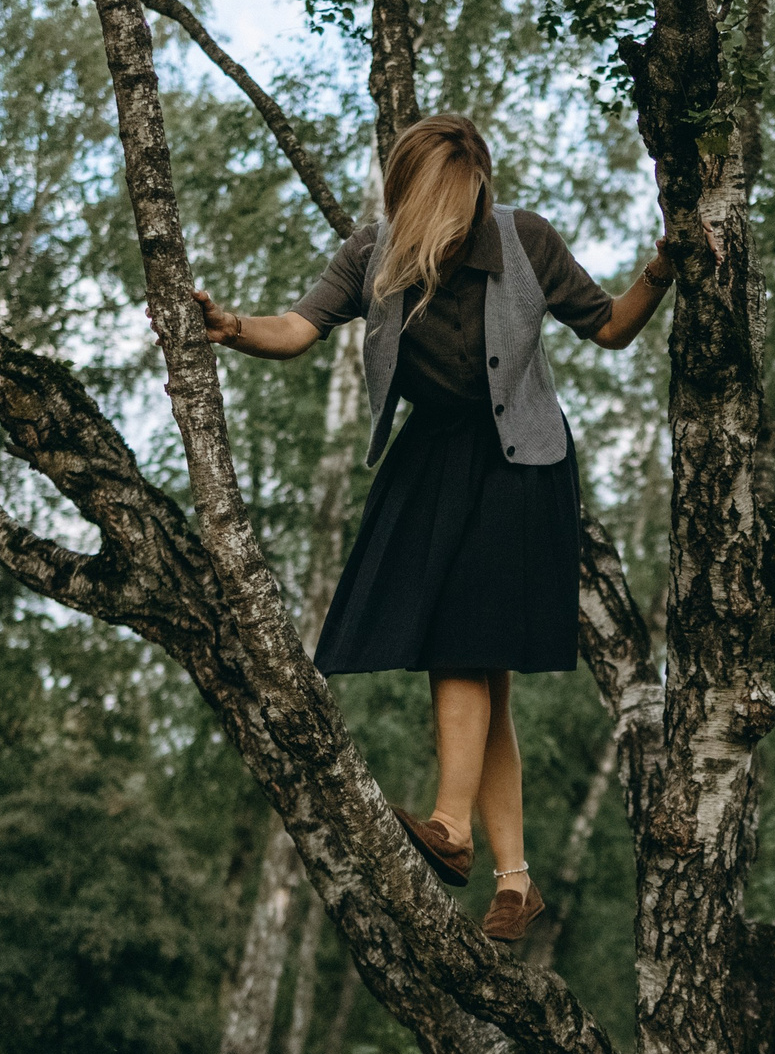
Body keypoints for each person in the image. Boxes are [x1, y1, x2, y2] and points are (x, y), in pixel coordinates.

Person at [191, 114, 673, 942]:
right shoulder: (371, 252)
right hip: (434, 463)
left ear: (478, 188)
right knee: (484, 673)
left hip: (522, 464)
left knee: (462, 644)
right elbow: (300, 328)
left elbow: (610, 327)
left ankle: (451, 827)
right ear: (410, 194)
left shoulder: (525, 240)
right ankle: (516, 882)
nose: (450, 218)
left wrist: (664, 268)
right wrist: (235, 329)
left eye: (463, 199)